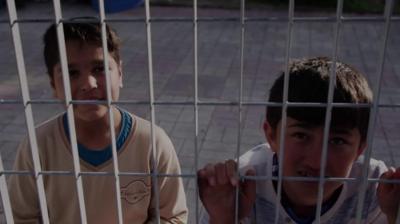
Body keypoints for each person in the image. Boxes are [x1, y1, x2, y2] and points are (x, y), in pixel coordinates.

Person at [9, 18, 187, 223]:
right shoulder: (37, 147)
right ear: (53, 85)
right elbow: (22, 217)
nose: (88, 83)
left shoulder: (152, 142)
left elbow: (173, 217)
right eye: (71, 73)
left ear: (120, 73)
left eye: (99, 69)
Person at [198, 57, 400, 224]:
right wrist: (224, 219)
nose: (316, 161)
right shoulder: (240, 185)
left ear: (360, 148)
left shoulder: (379, 188)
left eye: (337, 141)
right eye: (301, 135)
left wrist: (394, 215)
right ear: (271, 136)